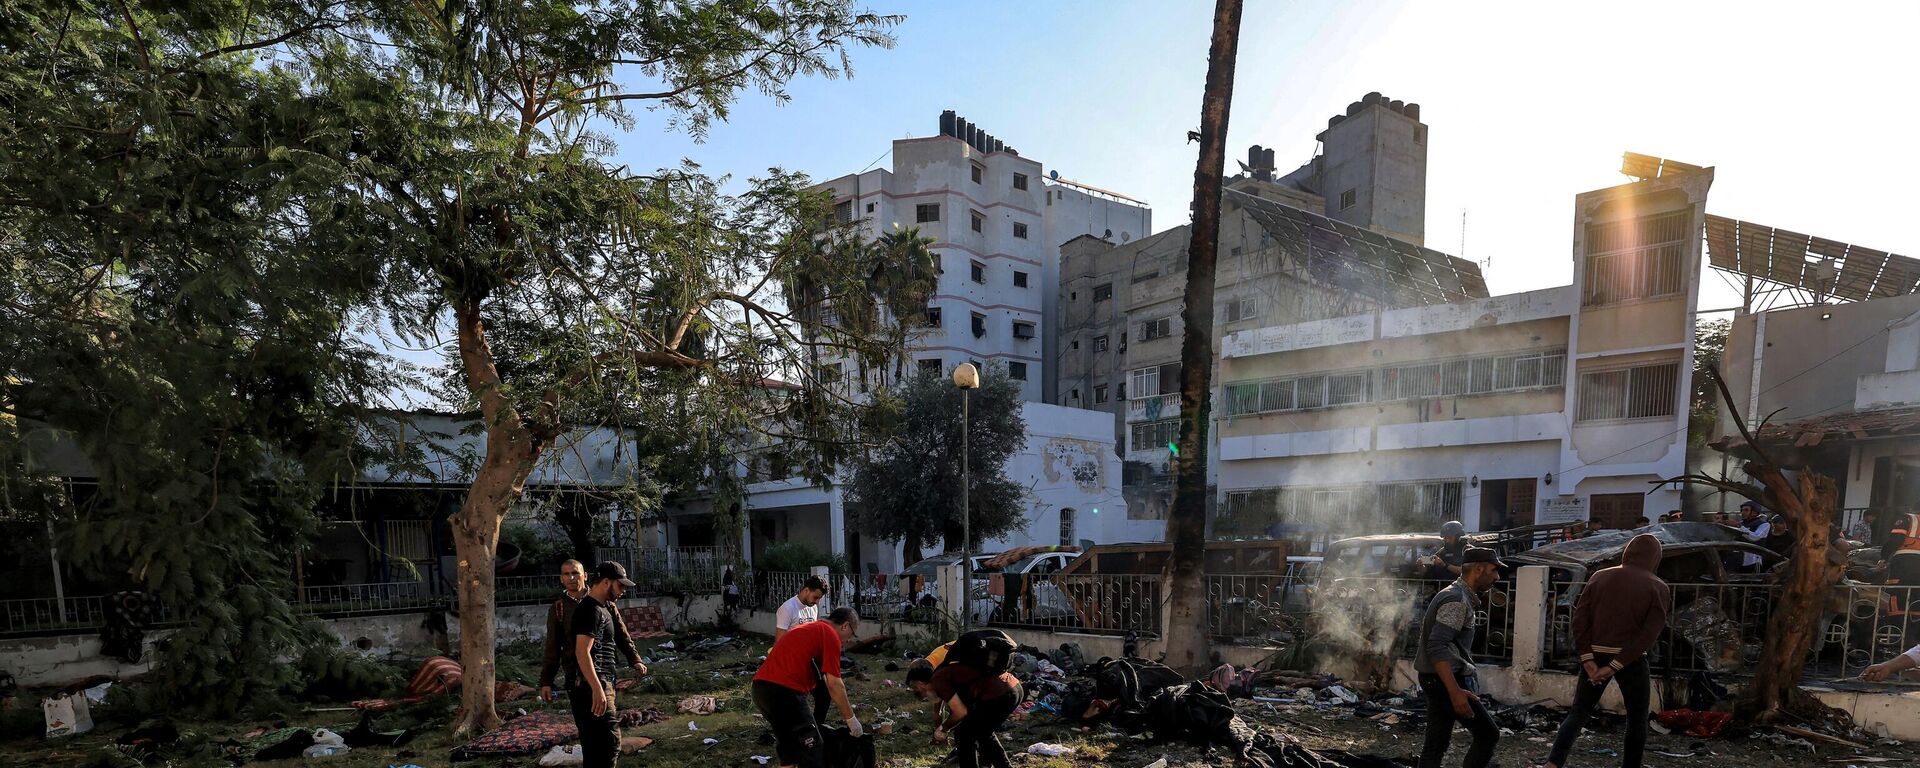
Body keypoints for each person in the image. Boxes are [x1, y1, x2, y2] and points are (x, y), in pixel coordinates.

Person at [1543, 534, 1671, 768]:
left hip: (1594, 655)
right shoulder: (1658, 586)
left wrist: (1587, 658)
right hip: (1630, 661)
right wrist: (1615, 665)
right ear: (1655, 557)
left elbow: (1580, 619)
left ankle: (1553, 763)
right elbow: (1649, 635)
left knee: (1579, 712)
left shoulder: (1599, 577)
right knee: (1637, 718)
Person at [1418, 547, 1503, 768]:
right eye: (1494, 571)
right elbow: (1437, 646)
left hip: (1435, 678)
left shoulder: (1457, 595)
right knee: (1488, 735)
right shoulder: (1456, 600)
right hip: (1444, 680)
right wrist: (1454, 691)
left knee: (1435, 744)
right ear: (1478, 569)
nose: (1497, 577)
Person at [752, 607, 864, 768]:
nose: (848, 640)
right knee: (813, 750)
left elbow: (821, 684)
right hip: (784, 692)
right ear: (845, 626)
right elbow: (835, 684)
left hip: (761, 690)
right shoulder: (830, 634)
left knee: (790, 747)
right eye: (852, 634)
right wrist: (851, 720)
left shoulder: (811, 628)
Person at [540, 560, 647, 704]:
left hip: (603, 670)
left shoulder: (603, 599)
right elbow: (552, 646)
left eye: (575, 573)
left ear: (584, 576)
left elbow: (621, 633)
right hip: (576, 674)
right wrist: (547, 681)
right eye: (567, 574)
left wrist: (634, 659)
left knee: (606, 718)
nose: (571, 578)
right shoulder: (559, 609)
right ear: (561, 578)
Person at [570, 562, 637, 768]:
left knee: (595, 747)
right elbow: (582, 652)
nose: (623, 591)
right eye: (620, 586)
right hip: (593, 686)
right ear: (606, 582)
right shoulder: (590, 610)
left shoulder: (603, 608)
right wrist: (597, 689)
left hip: (599, 683)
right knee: (609, 744)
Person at [909, 654, 1023, 768]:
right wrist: (943, 726)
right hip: (1013, 688)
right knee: (980, 732)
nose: (919, 694)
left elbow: (960, 712)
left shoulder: (939, 680)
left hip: (1000, 694)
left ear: (921, 683)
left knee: (965, 733)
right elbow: (961, 710)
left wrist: (944, 729)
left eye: (916, 689)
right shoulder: (942, 675)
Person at [776, 576, 831, 723]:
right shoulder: (787, 609)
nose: (817, 601)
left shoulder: (812, 608)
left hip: (810, 661)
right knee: (796, 702)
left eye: (819, 598)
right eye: (816, 597)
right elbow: (779, 642)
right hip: (793, 664)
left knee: (824, 696)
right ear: (806, 590)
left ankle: (817, 728)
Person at [1737, 501, 1772, 573]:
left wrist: (1740, 527)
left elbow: (1755, 537)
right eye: (1742, 510)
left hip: (1753, 560)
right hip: (1738, 559)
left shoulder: (1764, 525)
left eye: (1746, 510)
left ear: (1754, 512)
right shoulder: (1742, 523)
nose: (1743, 512)